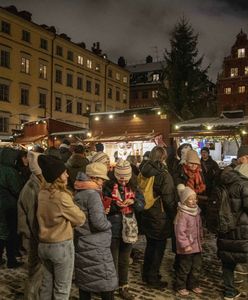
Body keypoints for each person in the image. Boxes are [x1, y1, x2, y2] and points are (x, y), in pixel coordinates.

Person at [37, 155, 86, 300]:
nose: (67, 174)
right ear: (57, 176)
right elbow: (80, 218)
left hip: (44, 245)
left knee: (46, 286)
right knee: (62, 290)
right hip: (60, 246)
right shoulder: (61, 197)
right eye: (64, 172)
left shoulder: (42, 193)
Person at [74, 163, 118, 300]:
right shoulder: (92, 195)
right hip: (96, 244)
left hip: (83, 240)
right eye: (101, 179)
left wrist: (101, 211)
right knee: (106, 280)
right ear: (93, 178)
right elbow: (98, 223)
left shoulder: (79, 191)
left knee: (85, 279)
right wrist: (108, 224)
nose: (103, 182)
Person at [103, 159, 144, 300]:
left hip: (129, 227)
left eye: (125, 179)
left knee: (125, 260)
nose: (123, 182)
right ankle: (110, 288)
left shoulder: (134, 186)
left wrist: (133, 202)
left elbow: (141, 205)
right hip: (113, 227)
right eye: (120, 179)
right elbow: (105, 208)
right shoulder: (108, 186)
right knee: (113, 260)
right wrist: (116, 205)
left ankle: (123, 286)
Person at [139, 146, 176, 288]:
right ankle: (152, 278)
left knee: (150, 245)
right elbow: (168, 198)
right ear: (163, 157)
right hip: (159, 215)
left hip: (146, 212)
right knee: (158, 248)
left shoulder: (144, 170)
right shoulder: (163, 174)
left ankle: (147, 273)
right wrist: (173, 215)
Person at [217, 145, 248, 299]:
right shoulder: (244, 184)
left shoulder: (225, 180)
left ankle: (229, 291)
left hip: (226, 227)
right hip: (243, 229)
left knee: (228, 260)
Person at [18, 151, 43, 300]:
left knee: (37, 272)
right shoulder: (32, 188)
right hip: (33, 238)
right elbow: (34, 220)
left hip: (34, 237)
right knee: (35, 273)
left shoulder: (37, 185)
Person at [174, 185, 203, 296]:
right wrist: (185, 245)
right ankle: (180, 286)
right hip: (187, 247)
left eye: (194, 198)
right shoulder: (183, 214)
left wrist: (201, 238)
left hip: (197, 245)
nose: (193, 201)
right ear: (184, 200)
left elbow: (199, 227)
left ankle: (193, 284)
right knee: (184, 268)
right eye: (190, 199)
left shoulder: (197, 212)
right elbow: (180, 232)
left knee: (196, 267)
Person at [0, 147, 24, 268]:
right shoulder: (10, 171)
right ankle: (11, 260)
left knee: (1, 232)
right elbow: (17, 189)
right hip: (8, 206)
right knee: (10, 233)